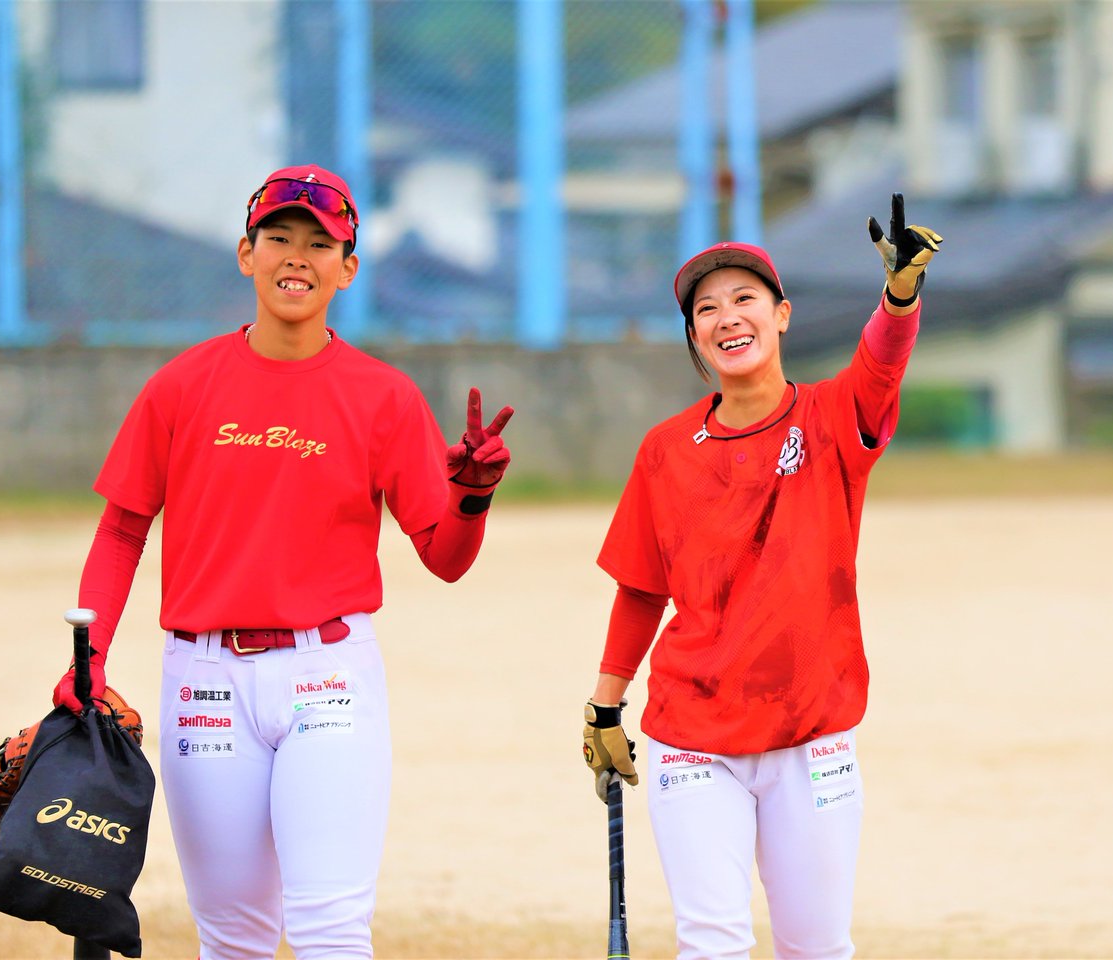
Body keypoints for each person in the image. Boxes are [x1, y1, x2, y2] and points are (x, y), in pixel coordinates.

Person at [50, 164, 514, 960]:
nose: (296, 256)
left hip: (328, 675)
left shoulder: (382, 397)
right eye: (279, 238)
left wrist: (470, 496)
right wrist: (87, 658)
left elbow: (444, 558)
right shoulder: (181, 386)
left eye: (318, 243)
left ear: (347, 267)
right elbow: (123, 530)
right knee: (232, 938)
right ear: (246, 253)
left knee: (330, 928)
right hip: (203, 681)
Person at [582, 194, 942, 960]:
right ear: (694, 338)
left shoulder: (834, 417)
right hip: (692, 736)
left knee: (815, 946)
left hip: (812, 735)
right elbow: (642, 587)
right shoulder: (664, 449)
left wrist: (899, 294)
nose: (726, 317)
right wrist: (606, 707)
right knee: (711, 944)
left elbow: (882, 362)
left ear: (780, 316)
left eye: (744, 298)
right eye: (705, 309)